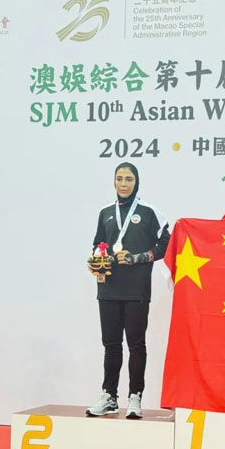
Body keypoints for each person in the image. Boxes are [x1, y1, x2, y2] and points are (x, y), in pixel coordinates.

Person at [86, 163, 170, 419]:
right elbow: (97, 245)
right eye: (120, 179)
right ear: (114, 182)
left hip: (136, 289)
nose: (124, 184)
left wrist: (138, 258)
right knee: (111, 345)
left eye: (129, 179)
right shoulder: (105, 213)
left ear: (137, 182)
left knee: (136, 344)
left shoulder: (149, 212)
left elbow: (166, 243)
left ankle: (135, 397)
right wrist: (96, 260)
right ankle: (109, 396)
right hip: (108, 288)